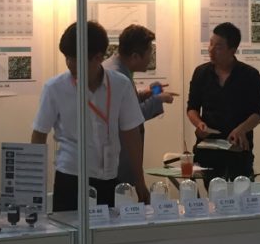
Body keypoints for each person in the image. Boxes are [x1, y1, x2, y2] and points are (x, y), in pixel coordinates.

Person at [32, 20, 149, 210]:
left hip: (110, 178)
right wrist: (34, 185)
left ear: (98, 58)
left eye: (75, 59)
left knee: (109, 227)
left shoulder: (120, 85)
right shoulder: (55, 88)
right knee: (69, 228)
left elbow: (132, 133)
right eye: (67, 57)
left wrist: (139, 180)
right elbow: (39, 134)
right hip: (70, 179)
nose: (69, 64)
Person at [186, 21, 260, 184]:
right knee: (213, 194)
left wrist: (241, 129)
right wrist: (199, 124)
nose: (211, 50)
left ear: (232, 50)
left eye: (218, 47)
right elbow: (192, 108)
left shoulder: (250, 75)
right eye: (211, 44)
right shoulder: (201, 73)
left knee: (241, 194)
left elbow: (258, 113)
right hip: (208, 150)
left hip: (238, 150)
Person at [104, 24, 178, 183]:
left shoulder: (117, 68)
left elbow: (125, 103)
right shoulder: (117, 75)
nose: (151, 58)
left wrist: (146, 93)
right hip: (116, 160)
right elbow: (131, 117)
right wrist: (159, 99)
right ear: (135, 56)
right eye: (149, 53)